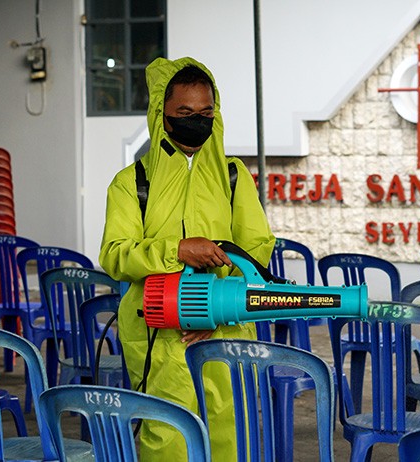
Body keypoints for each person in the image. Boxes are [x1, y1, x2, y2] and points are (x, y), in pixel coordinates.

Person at [99, 57, 275, 460]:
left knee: (231, 435)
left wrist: (219, 309)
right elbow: (115, 254)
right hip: (160, 339)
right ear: (162, 115)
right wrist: (175, 250)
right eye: (185, 113)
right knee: (167, 440)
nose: (197, 120)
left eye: (206, 113)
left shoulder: (234, 176)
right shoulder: (132, 184)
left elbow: (258, 248)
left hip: (226, 333)